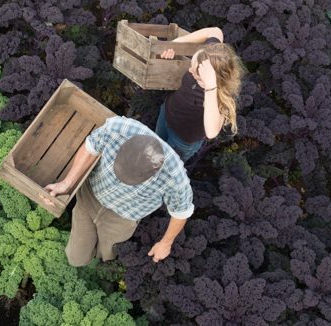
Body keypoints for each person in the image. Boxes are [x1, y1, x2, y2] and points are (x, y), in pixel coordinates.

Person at [43, 116, 194, 266]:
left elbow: (181, 212)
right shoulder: (119, 128)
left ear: (154, 173)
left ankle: (103, 260)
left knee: (107, 253)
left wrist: (165, 243)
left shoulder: (175, 177)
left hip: (122, 218)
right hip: (90, 196)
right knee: (76, 259)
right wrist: (66, 183)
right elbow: (90, 148)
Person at [155, 27, 246, 162]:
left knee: (158, 169)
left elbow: (211, 132)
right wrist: (176, 44)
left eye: (196, 74)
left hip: (181, 140)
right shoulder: (208, 56)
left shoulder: (220, 95)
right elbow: (216, 31)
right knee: (151, 150)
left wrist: (210, 87)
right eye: (193, 64)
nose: (190, 70)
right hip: (167, 115)